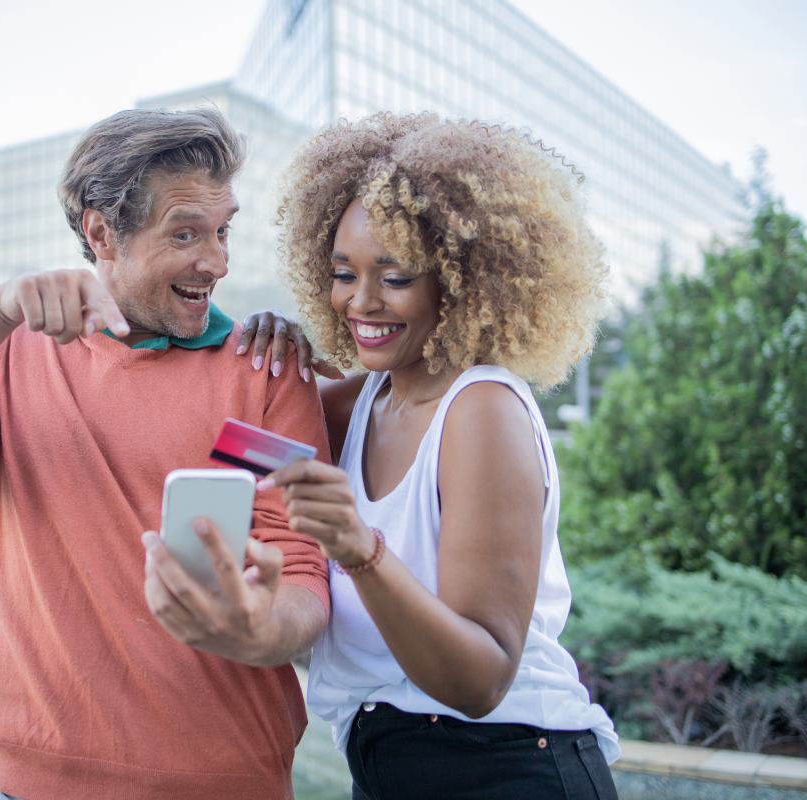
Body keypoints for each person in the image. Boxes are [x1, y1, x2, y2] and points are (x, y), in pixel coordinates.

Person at [0, 107, 331, 800]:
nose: (218, 262)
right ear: (101, 232)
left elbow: (299, 562)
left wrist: (264, 629)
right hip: (28, 784)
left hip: (227, 779)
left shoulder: (261, 372)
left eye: (223, 231)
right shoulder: (11, 352)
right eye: (186, 233)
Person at [241, 112, 620, 799]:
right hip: (388, 762)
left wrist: (363, 552)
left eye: (395, 276)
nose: (361, 301)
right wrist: (248, 354)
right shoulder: (358, 403)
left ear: (460, 280)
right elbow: (229, 445)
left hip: (505, 763)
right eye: (342, 272)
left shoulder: (482, 412)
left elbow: (480, 680)